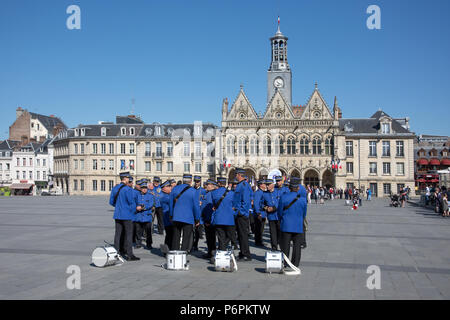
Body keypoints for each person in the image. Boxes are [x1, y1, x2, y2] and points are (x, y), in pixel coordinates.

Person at [109, 172, 140, 261]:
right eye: (128, 178)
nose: (129, 180)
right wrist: (134, 210)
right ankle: (129, 254)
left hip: (117, 214)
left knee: (118, 235)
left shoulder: (115, 188)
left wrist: (119, 206)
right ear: (125, 178)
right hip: (127, 215)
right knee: (128, 235)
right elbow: (131, 202)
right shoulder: (127, 189)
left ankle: (116, 253)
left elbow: (111, 202)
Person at [277, 177, 307, 267]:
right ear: (298, 188)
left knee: (285, 246)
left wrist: (282, 219)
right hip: (298, 225)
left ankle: (285, 263)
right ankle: (295, 264)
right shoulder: (302, 200)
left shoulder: (284, 197)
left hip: (286, 224)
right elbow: (304, 214)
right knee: (297, 246)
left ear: (289, 187)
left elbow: (280, 212)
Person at [169, 174, 201, 251]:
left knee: (176, 237)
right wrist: (197, 219)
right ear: (190, 181)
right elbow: (196, 207)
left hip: (176, 216)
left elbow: (171, 203)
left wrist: (171, 215)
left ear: (183, 180)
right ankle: (183, 255)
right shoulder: (194, 191)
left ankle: (175, 253)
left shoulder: (175, 189)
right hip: (188, 217)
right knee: (186, 238)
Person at [211, 177, 237, 251]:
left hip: (219, 217)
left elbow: (214, 204)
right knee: (229, 235)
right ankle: (224, 249)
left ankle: (221, 250)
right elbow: (234, 205)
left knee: (220, 236)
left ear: (218, 183)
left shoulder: (214, 193)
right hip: (229, 218)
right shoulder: (232, 193)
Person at [232, 168, 252, 261]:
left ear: (240, 175)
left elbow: (246, 201)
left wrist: (241, 212)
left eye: (236, 174)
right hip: (237, 213)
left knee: (243, 235)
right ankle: (242, 252)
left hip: (241, 214)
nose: (235, 176)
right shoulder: (240, 185)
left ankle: (246, 254)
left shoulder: (244, 185)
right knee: (240, 235)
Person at [134, 179, 159, 250]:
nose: (144, 190)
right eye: (143, 188)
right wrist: (136, 207)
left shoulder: (150, 196)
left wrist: (142, 207)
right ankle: (138, 243)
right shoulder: (137, 195)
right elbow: (134, 203)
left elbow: (150, 204)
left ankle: (149, 244)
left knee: (148, 232)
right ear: (141, 189)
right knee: (138, 231)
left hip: (147, 216)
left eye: (145, 188)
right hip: (138, 216)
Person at [201, 179, 218, 258]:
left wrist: (208, 219)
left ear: (212, 186)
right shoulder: (208, 193)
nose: (206, 186)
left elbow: (209, 208)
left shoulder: (211, 194)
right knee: (209, 237)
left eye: (208, 185)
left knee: (211, 237)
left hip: (209, 219)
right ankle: (210, 251)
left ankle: (211, 253)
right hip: (207, 218)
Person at [263, 179, 280, 251]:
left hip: (278, 215)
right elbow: (261, 204)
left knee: (279, 232)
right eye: (266, 185)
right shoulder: (264, 194)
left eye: (268, 184)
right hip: (271, 216)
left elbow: (281, 202)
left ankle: (280, 244)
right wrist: (266, 208)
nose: (267, 186)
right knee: (272, 233)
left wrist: (274, 208)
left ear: (272, 184)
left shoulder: (278, 192)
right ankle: (274, 247)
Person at [192, 176, 206, 252]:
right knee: (191, 230)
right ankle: (190, 244)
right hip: (191, 211)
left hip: (199, 211)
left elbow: (205, 200)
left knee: (197, 230)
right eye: (195, 181)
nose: (196, 183)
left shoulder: (203, 191)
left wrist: (202, 203)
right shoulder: (191, 189)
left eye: (198, 182)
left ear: (200, 182)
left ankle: (195, 244)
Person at [159, 180, 173, 255]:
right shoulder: (163, 196)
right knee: (169, 235)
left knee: (170, 235)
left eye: (170, 186)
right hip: (167, 217)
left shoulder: (167, 195)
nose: (170, 188)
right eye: (168, 186)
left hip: (169, 217)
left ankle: (167, 250)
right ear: (163, 188)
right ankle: (167, 251)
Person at [253, 180, 267, 247]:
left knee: (261, 228)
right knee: (258, 228)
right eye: (264, 184)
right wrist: (258, 213)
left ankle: (260, 241)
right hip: (259, 213)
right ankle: (258, 241)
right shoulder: (258, 193)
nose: (265, 185)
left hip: (263, 213)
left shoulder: (262, 192)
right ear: (261, 185)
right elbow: (256, 203)